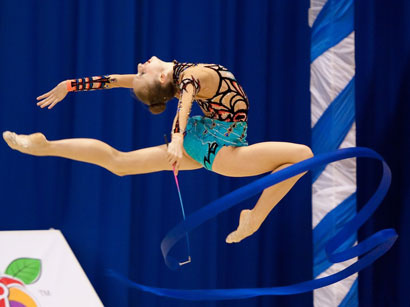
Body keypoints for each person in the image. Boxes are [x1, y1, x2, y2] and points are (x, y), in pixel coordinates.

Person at [2, 56, 313, 243]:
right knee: (303, 156)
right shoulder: (190, 77)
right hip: (219, 148)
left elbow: (112, 81)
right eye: (142, 72)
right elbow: (186, 102)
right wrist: (176, 139)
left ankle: (46, 147)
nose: (139, 67)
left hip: (202, 140)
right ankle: (255, 218)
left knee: (119, 162)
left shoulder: (176, 77)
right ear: (162, 77)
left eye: (139, 72)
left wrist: (71, 84)